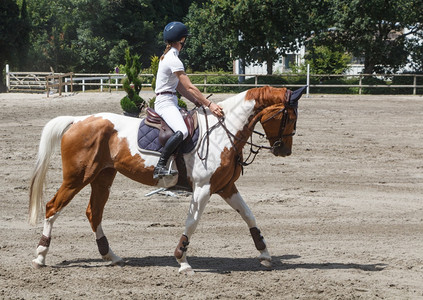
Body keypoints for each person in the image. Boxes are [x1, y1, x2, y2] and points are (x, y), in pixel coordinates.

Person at [153, 21, 224, 179]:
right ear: (182, 40)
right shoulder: (173, 59)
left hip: (170, 100)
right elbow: (190, 86)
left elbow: (179, 87)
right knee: (183, 131)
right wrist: (209, 104)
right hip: (165, 103)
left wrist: (196, 101)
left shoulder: (168, 56)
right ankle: (160, 166)